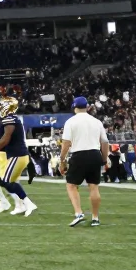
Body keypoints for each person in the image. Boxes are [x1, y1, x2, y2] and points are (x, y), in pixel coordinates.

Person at [59, 96, 105, 227]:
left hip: (79, 154)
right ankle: (95, 218)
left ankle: (79, 213)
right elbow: (105, 142)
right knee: (94, 186)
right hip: (95, 153)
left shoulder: (70, 122)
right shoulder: (97, 121)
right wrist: (104, 158)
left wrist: (62, 160)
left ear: (74, 107)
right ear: (87, 107)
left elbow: (66, 143)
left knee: (71, 185)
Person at [0, 97, 36, 216]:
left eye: (0, 106)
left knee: (5, 180)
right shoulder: (11, 118)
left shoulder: (9, 119)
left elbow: (6, 139)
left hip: (18, 155)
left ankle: (28, 203)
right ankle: (22, 205)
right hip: (17, 155)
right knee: (4, 180)